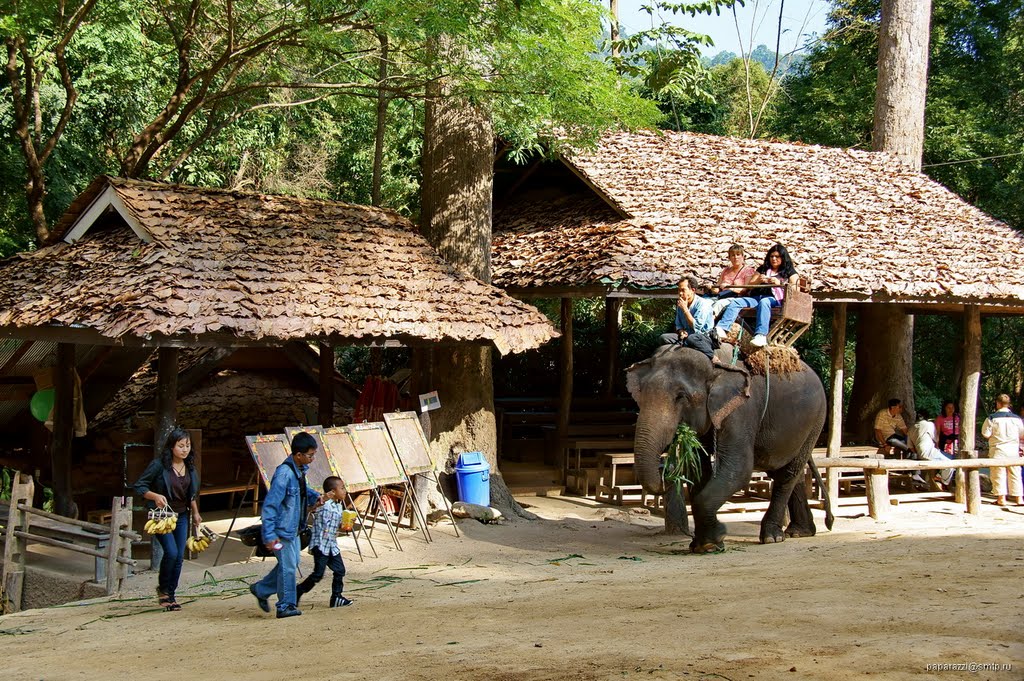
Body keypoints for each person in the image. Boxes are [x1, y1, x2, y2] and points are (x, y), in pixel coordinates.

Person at [249, 431, 322, 618]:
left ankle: (262, 589)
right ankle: (285, 606)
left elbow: (301, 490)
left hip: (293, 529)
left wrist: (315, 496)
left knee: (291, 563)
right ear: (298, 455)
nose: (313, 458)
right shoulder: (284, 474)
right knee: (288, 567)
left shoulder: (299, 470)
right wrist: (270, 534)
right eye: (310, 455)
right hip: (282, 531)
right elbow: (271, 506)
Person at [133, 427, 201, 611]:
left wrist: (195, 513)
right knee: (170, 552)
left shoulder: (190, 467)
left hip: (182, 516)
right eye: (181, 446)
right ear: (171, 446)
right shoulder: (159, 465)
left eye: (187, 445)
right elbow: (139, 486)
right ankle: (163, 589)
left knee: (179, 557)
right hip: (162, 517)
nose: (185, 449)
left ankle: (171, 594)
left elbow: (192, 494)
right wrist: (155, 496)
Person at [713, 242, 800, 348]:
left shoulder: (789, 271)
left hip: (776, 300)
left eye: (777, 256)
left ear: (783, 257)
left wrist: (779, 283)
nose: (774, 259)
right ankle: (722, 328)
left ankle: (761, 335)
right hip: (756, 298)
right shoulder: (763, 268)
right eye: (771, 256)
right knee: (736, 302)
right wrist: (759, 279)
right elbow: (751, 284)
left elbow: (795, 289)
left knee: (764, 302)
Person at [296, 476, 353, 609]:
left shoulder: (338, 506)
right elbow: (314, 509)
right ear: (332, 491)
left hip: (331, 545)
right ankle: (298, 591)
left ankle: (336, 597)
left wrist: (344, 525)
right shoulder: (324, 505)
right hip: (321, 545)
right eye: (342, 488)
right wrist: (323, 499)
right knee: (318, 574)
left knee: (340, 570)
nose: (345, 491)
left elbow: (335, 524)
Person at [980, 394, 1024, 507]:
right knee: (1015, 473)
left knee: (998, 473)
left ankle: (1001, 498)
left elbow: (986, 434)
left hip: (998, 449)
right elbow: (1022, 434)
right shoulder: (1017, 419)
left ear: (998, 403)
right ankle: (1019, 498)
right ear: (1009, 404)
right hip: (1013, 450)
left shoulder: (992, 418)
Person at [659, 274, 716, 358]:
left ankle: (712, 356)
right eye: (679, 290)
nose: (680, 293)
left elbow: (696, 326)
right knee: (663, 338)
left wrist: (685, 309)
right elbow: (678, 324)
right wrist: (681, 331)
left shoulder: (703, 304)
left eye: (683, 290)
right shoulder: (680, 304)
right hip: (686, 336)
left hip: (701, 337)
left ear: (692, 290)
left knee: (692, 339)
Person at [907, 409, 953, 487]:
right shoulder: (929, 425)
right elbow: (936, 439)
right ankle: (942, 482)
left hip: (919, 455)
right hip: (930, 453)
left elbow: (910, 446)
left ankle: (935, 479)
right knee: (951, 463)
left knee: (944, 459)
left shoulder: (911, 428)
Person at [710, 244, 757, 317]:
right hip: (722, 296)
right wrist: (712, 288)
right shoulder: (726, 270)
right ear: (729, 258)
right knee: (706, 303)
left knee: (718, 305)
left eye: (738, 255)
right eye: (733, 255)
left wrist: (730, 287)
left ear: (742, 257)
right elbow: (717, 288)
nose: (736, 257)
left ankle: (708, 325)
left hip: (737, 298)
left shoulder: (748, 271)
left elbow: (745, 290)